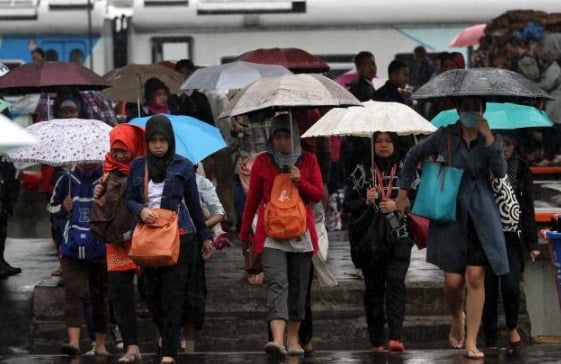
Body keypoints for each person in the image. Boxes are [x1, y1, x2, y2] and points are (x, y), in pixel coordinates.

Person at [395, 97, 509, 360]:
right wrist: (403, 192)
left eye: (476, 107)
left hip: (481, 213)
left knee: (476, 277)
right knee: (453, 280)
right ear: (458, 110)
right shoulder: (445, 135)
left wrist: (489, 138)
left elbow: (500, 171)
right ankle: (457, 314)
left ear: (483, 109)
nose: (471, 112)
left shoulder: (492, 139)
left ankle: (471, 340)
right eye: (466, 107)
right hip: (450, 212)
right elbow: (413, 155)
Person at [126, 114, 213, 364]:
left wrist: (205, 236)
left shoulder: (183, 165)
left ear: (170, 141)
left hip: (180, 237)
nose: (158, 145)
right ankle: (165, 335)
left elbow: (194, 204)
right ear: (147, 142)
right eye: (153, 140)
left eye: (163, 140)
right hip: (148, 237)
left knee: (174, 294)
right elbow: (129, 199)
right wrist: (140, 211)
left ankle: (169, 351)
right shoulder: (138, 166)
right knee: (151, 293)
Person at [238, 113, 324, 357]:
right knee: (277, 283)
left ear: (296, 136)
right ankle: (277, 339)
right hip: (271, 235)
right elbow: (253, 199)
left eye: (287, 136)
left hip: (301, 234)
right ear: (271, 138)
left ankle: (294, 338)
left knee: (298, 288)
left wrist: (301, 181)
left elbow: (318, 194)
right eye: (278, 136)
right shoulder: (263, 163)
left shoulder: (308, 161)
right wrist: (245, 232)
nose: (283, 142)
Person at [343, 132, 414, 353]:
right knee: (373, 288)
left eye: (388, 140)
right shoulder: (362, 170)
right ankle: (376, 338)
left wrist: (399, 204)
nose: (383, 145)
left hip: (400, 236)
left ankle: (395, 336)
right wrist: (366, 199)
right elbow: (348, 204)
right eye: (379, 141)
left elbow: (420, 197)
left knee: (395, 283)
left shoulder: (406, 169)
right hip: (370, 239)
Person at [93, 124, 146, 363]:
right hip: (117, 241)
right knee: (120, 294)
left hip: (144, 238)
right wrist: (99, 192)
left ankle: (165, 339)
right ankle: (131, 345)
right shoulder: (107, 170)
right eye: (116, 150)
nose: (120, 156)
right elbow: (103, 200)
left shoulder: (146, 168)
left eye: (124, 150)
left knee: (152, 291)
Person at [482, 133, 540, 349]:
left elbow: (528, 208)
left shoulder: (521, 169)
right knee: (487, 288)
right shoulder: (483, 167)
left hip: (512, 236)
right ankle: (488, 334)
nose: (504, 149)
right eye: (500, 144)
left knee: (511, 285)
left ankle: (512, 326)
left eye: (507, 144)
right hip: (487, 234)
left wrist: (532, 243)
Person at [47, 162, 110, 356]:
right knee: (73, 294)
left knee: (100, 297)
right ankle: (73, 343)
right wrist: (63, 208)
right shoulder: (65, 180)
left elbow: (120, 208)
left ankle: (100, 344)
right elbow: (51, 208)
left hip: (100, 247)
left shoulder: (107, 180)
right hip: (72, 247)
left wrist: (105, 199)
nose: (87, 160)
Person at [169, 59, 214, 125]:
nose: (184, 76)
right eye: (181, 72)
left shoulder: (200, 97)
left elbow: (209, 121)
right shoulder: (171, 97)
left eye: (188, 72)